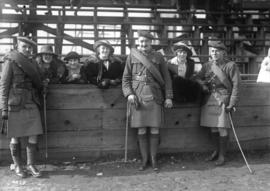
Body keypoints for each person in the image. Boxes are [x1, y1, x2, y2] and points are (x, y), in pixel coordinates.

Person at [122, 30, 173, 171]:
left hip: (155, 97)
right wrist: (129, 94)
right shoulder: (132, 56)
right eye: (141, 41)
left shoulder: (158, 57)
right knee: (142, 129)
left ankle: (153, 159)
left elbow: (167, 78)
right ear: (138, 42)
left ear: (151, 42)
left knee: (155, 128)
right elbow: (126, 79)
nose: (143, 44)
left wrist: (168, 96)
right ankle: (144, 160)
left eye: (146, 41)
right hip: (138, 98)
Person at [0, 36, 44, 178]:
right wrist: (4, 107)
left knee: (34, 133)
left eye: (29, 48)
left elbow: (39, 80)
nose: (27, 49)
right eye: (24, 46)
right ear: (18, 46)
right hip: (15, 103)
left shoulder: (33, 63)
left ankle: (31, 164)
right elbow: (4, 86)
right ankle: (19, 166)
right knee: (15, 136)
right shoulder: (10, 61)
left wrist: (45, 84)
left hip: (31, 102)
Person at [195, 40, 241, 166]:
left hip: (224, 99)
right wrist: (203, 84)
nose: (214, 53)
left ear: (223, 53)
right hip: (210, 98)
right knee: (213, 127)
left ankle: (222, 156)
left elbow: (236, 86)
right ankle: (216, 151)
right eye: (212, 51)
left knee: (222, 127)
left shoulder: (231, 66)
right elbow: (198, 77)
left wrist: (231, 104)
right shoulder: (207, 66)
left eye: (217, 51)